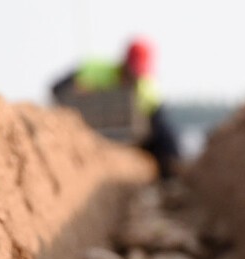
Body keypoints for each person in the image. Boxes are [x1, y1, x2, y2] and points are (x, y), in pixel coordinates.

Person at [51, 37, 181, 179]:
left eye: (138, 74)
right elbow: (57, 88)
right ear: (125, 62)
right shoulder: (95, 71)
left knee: (165, 140)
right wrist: (77, 89)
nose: (134, 77)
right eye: (133, 71)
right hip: (87, 134)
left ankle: (170, 181)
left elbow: (159, 123)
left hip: (131, 140)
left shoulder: (147, 89)